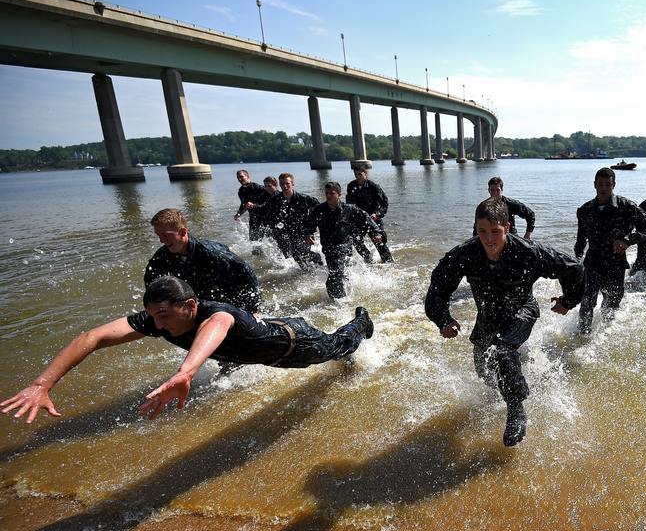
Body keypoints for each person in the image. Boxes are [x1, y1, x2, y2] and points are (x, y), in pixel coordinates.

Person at [1, 276, 374, 424]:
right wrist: (42, 384)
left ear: (190, 306)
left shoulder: (217, 314)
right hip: (269, 346)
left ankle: (362, 322)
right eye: (152, 316)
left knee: (339, 347)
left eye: (163, 315)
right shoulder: (159, 319)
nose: (157, 325)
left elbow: (216, 327)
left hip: (296, 344)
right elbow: (91, 338)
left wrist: (185, 373)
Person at [425, 199, 584, 447]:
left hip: (522, 311)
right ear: (475, 228)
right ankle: (512, 380)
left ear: (507, 228)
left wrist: (568, 301)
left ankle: (516, 408)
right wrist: (443, 319)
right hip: (488, 317)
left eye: (495, 232)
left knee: (502, 350)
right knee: (484, 371)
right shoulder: (465, 254)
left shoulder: (528, 252)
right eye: (482, 232)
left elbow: (574, 269)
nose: (489, 239)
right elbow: (437, 289)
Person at [574, 167, 646, 334]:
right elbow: (581, 240)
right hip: (593, 262)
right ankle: (582, 336)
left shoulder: (626, 207)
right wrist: (576, 262)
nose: (604, 188)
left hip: (615, 264)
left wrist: (627, 240)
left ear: (614, 185)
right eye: (600, 184)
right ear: (594, 185)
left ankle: (604, 336)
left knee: (611, 304)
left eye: (607, 184)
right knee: (587, 301)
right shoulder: (585, 210)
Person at [145, 208, 262, 313]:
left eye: (165, 235)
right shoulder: (162, 256)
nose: (161, 240)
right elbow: (151, 282)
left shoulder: (214, 253)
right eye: (158, 235)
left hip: (226, 306)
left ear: (183, 232)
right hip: (196, 306)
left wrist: (252, 310)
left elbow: (247, 273)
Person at [306, 182, 383, 299]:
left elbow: (367, 220)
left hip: (344, 246)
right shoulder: (318, 210)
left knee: (334, 276)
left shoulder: (350, 209)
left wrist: (376, 232)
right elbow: (309, 225)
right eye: (327, 193)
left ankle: (341, 301)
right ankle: (348, 294)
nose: (329, 196)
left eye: (332, 193)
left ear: (339, 194)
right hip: (328, 248)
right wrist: (308, 234)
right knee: (339, 273)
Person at [269, 172, 324, 270]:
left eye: (287, 183)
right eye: (282, 184)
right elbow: (268, 213)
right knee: (294, 257)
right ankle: (307, 272)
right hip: (286, 233)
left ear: (292, 183)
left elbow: (320, 210)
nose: (285, 186)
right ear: (279, 185)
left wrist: (311, 230)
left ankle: (317, 259)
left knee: (301, 253)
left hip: (304, 232)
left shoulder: (304, 198)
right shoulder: (275, 199)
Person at [346, 168, 393, 263]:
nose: (358, 177)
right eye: (356, 174)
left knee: (379, 241)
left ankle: (389, 263)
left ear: (365, 174)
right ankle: (368, 259)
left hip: (373, 219)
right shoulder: (351, 186)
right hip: (358, 220)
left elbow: (385, 203)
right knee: (355, 240)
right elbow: (349, 203)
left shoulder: (374, 187)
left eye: (360, 174)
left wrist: (377, 214)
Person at [471, 176, 536, 239]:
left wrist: (527, 234)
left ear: (502, 190)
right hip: (491, 237)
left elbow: (530, 214)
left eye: (497, 190)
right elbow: (477, 226)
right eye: (492, 190)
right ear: (489, 191)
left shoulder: (511, 204)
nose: (495, 193)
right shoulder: (483, 207)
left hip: (510, 236)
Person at [234, 169, 270, 241]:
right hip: (253, 219)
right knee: (253, 242)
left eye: (241, 176)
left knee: (270, 241)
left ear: (247, 176)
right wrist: (239, 213)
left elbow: (268, 202)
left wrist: (254, 205)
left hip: (266, 218)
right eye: (238, 178)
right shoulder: (241, 191)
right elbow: (244, 205)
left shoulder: (259, 188)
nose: (240, 179)